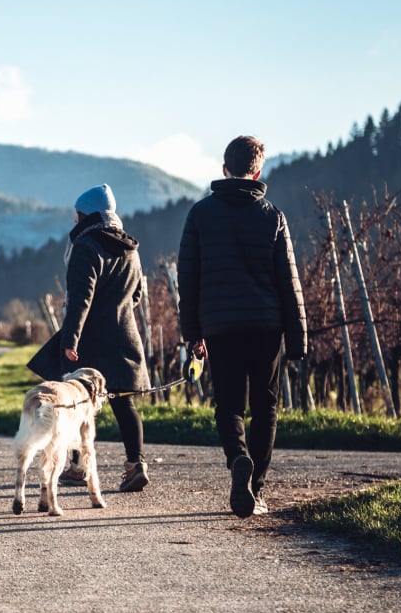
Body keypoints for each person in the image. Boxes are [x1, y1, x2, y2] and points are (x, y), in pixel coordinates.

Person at [177, 135, 307, 518]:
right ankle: (257, 488)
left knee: (228, 403)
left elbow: (188, 278)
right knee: (265, 405)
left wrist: (192, 332)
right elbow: (289, 281)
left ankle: (238, 459)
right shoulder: (272, 215)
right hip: (267, 326)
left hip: (221, 325)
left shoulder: (200, 215)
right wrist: (297, 338)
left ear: (223, 170)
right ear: (258, 171)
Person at [27, 184, 152, 493]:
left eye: (78, 215)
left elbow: (81, 298)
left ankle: (77, 467)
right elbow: (136, 295)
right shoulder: (131, 249)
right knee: (125, 405)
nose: (75, 221)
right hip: (125, 336)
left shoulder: (87, 246)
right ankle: (135, 465)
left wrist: (71, 340)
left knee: (74, 404)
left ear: (88, 215)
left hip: (90, 341)